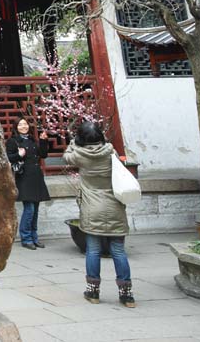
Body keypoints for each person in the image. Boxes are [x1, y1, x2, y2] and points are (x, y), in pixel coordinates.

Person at [63, 121, 135, 308]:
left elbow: (66, 157)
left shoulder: (79, 155)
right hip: (114, 207)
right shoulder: (110, 152)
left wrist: (73, 142)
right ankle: (126, 294)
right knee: (118, 251)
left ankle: (93, 291)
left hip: (92, 208)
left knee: (93, 250)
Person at [5, 118, 50, 249]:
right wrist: (19, 155)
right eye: (20, 124)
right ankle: (26, 238)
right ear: (16, 127)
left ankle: (34, 237)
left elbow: (43, 154)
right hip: (24, 177)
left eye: (25, 124)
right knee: (29, 209)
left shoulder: (32, 139)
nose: (23, 126)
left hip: (36, 176)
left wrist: (43, 141)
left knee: (35, 209)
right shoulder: (13, 141)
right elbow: (8, 158)